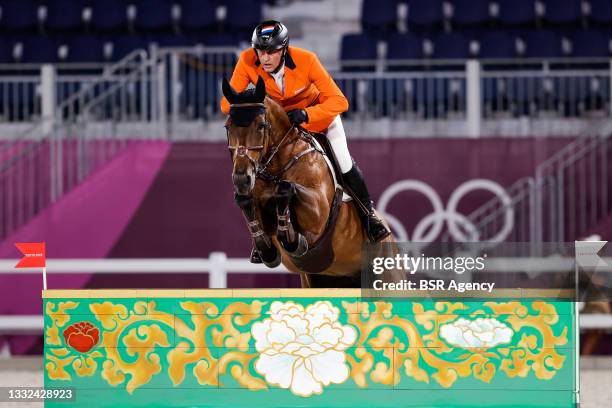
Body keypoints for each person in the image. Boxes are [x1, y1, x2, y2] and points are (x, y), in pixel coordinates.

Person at [220, 20, 390, 262]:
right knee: (256, 165)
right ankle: (261, 237)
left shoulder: (307, 60)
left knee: (343, 162)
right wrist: (252, 101)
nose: (265, 58)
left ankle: (368, 216)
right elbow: (227, 104)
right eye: (260, 51)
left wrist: (308, 114)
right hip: (277, 127)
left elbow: (339, 101)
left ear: (284, 49)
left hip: (316, 118)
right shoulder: (248, 60)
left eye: (271, 52)